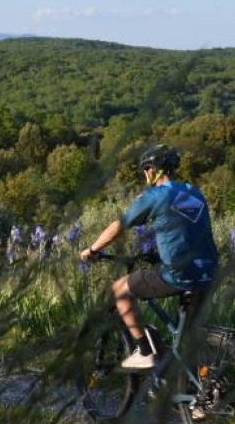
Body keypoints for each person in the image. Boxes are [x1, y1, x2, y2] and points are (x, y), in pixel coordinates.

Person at [80, 144, 219, 370]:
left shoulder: (156, 195)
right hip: (209, 271)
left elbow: (119, 226)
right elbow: (186, 230)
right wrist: (157, 253)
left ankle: (145, 350)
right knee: (187, 341)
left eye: (146, 168)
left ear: (154, 170)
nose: (146, 173)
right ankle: (196, 399)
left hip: (180, 274)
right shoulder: (194, 192)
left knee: (119, 290)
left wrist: (93, 249)